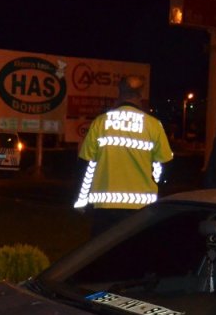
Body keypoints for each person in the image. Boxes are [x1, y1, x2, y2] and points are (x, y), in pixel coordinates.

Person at [74, 75, 174, 235]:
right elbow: (166, 165)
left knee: (103, 255)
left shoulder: (101, 123)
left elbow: (85, 164)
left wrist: (82, 200)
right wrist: (157, 183)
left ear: (119, 92)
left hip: (104, 207)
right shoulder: (153, 125)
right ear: (140, 95)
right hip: (142, 208)